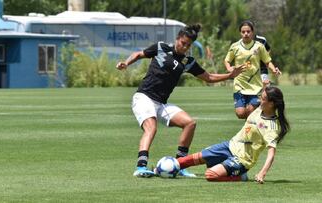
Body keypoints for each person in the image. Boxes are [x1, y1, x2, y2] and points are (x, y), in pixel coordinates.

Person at [116, 24, 245, 178]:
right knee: (151, 128)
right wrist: (126, 63)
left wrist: (230, 75)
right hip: (144, 97)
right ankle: (141, 167)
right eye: (183, 43)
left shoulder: (187, 61)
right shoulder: (161, 47)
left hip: (161, 103)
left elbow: (208, 77)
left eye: (188, 45)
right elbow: (139, 54)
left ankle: (180, 165)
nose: (185, 47)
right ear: (177, 39)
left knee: (190, 123)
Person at [177, 86, 290, 183]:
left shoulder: (271, 127)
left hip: (242, 159)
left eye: (263, 98)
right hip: (230, 146)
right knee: (183, 161)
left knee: (210, 175)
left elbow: (271, 154)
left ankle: (239, 176)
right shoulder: (260, 108)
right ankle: (160, 169)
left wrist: (262, 173)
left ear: (271, 104)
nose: (260, 100)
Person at [224, 20, 281, 119]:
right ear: (240, 33)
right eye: (243, 32)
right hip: (239, 86)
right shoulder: (235, 46)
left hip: (255, 87)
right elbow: (227, 60)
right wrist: (229, 68)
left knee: (250, 112)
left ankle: (251, 127)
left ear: (253, 32)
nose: (246, 34)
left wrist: (273, 69)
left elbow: (267, 61)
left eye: (248, 31)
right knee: (240, 114)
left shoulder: (259, 46)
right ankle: (256, 119)